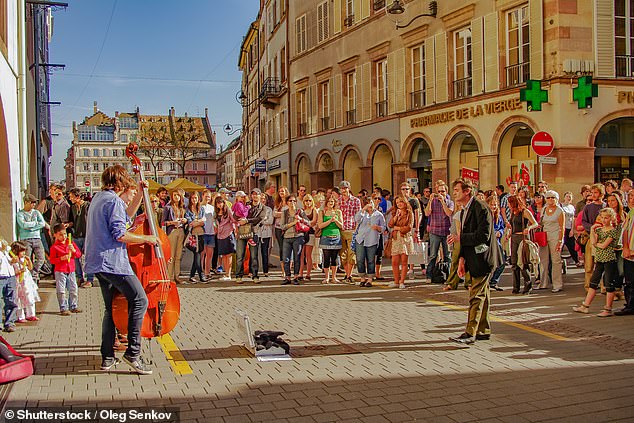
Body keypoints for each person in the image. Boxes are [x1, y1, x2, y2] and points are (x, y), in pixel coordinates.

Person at [85, 165, 157, 374]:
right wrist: (147, 238)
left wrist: (139, 198)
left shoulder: (99, 198)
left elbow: (125, 218)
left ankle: (107, 357)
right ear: (121, 183)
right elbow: (120, 234)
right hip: (112, 261)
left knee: (110, 309)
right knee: (140, 299)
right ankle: (133, 353)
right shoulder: (114, 200)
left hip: (96, 261)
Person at [449, 179, 503, 345]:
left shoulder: (481, 208)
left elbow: (483, 235)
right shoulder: (464, 209)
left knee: (476, 296)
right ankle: (483, 330)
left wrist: (460, 238)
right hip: (473, 257)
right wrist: (462, 260)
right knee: (483, 295)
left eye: (457, 190)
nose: (454, 193)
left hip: (484, 258)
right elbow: (466, 238)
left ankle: (470, 332)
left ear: (467, 191)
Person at [573, 208, 622, 317]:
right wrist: (592, 230)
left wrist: (597, 244)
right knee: (593, 282)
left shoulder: (612, 231)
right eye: (602, 217)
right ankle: (585, 305)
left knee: (609, 284)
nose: (604, 220)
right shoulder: (599, 230)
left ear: (611, 218)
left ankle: (608, 309)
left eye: (606, 218)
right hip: (599, 259)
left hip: (609, 259)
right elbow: (594, 241)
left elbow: (604, 245)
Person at [49, 223, 82, 316]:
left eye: (65, 234)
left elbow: (78, 254)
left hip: (71, 270)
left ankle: (73, 306)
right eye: (60, 234)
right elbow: (52, 260)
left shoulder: (70, 243)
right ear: (55, 235)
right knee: (61, 290)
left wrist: (74, 251)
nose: (63, 236)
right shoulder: (54, 247)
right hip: (60, 270)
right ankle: (63, 308)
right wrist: (61, 259)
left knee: (73, 289)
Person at [424, 180, 454, 282]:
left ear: (446, 192)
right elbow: (427, 213)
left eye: (443, 191)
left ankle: (449, 276)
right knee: (433, 254)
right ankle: (429, 275)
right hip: (434, 231)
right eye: (439, 191)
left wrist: (443, 202)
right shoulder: (432, 202)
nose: (440, 194)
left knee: (447, 255)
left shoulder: (450, 202)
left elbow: (449, 213)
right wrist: (430, 201)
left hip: (446, 231)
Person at [507, 196, 538, 294]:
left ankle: (528, 286)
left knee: (523, 262)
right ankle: (516, 287)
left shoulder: (525, 212)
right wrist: (509, 232)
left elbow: (535, 223)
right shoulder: (513, 212)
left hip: (522, 238)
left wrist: (528, 228)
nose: (508, 205)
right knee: (514, 263)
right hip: (514, 238)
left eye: (509, 203)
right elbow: (513, 225)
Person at [235, 188, 266, 284]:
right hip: (243, 232)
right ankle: (238, 275)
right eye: (253, 194)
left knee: (254, 256)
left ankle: (255, 275)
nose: (255, 196)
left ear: (260, 196)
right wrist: (239, 219)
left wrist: (247, 221)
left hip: (254, 233)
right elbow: (236, 213)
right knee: (240, 255)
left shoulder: (263, 207)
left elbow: (259, 219)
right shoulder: (246, 205)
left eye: (257, 194)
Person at [354, 196, 385, 287]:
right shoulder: (363, 213)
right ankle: (362, 278)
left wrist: (378, 228)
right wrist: (363, 209)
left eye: (371, 202)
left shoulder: (378, 214)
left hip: (372, 239)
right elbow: (357, 219)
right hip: (361, 239)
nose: (369, 204)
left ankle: (370, 278)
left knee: (371, 260)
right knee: (360, 259)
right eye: (367, 203)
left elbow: (383, 227)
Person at [537, 190, 565, 292]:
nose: (550, 200)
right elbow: (541, 222)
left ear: (556, 199)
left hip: (555, 236)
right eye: (548, 198)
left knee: (556, 261)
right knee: (543, 260)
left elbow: (562, 227)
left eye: (553, 197)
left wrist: (560, 240)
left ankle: (557, 284)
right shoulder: (544, 209)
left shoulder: (560, 211)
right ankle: (543, 283)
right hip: (544, 236)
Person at [16, 194, 46, 285]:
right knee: (27, 259)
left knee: (41, 258)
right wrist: (35, 223)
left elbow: (42, 223)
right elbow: (23, 225)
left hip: (37, 238)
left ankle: (34, 274)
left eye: (34, 202)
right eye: (31, 202)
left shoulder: (36, 212)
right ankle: (28, 278)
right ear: (26, 202)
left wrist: (31, 227)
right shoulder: (20, 214)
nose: (33, 204)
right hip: (25, 239)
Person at [280, 195, 309, 285]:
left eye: (293, 201)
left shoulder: (300, 211)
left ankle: (296, 277)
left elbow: (308, 222)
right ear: (287, 202)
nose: (292, 203)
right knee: (286, 258)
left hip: (298, 237)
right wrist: (293, 223)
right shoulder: (284, 213)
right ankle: (287, 277)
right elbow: (282, 226)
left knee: (297, 258)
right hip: (287, 237)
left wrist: (301, 219)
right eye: (290, 201)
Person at [582, 184, 606, 290]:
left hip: (603, 238)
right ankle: (588, 286)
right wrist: (592, 228)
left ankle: (604, 286)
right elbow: (584, 221)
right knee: (589, 265)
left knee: (602, 264)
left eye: (596, 192)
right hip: (591, 237)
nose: (593, 195)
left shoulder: (605, 206)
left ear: (601, 194)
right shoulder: (588, 207)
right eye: (592, 193)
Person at [68, 188, 94, 288]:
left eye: (71, 197)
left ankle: (90, 279)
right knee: (76, 257)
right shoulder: (73, 207)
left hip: (87, 235)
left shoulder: (88, 205)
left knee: (88, 258)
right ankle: (79, 277)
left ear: (78, 197)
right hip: (76, 235)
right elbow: (72, 220)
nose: (70, 199)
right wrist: (68, 225)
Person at [337, 181, 362, 283]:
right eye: (342, 188)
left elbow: (358, 216)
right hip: (341, 229)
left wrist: (356, 229)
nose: (344, 190)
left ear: (349, 188)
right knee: (343, 254)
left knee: (351, 254)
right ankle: (347, 275)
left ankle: (349, 275)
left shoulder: (356, 200)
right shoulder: (338, 201)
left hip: (352, 229)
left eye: (345, 188)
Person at [388, 195, 415, 289]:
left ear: (405, 202)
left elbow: (409, 227)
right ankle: (396, 281)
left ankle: (402, 281)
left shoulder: (409, 213)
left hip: (405, 238)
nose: (399, 204)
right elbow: (390, 224)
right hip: (396, 239)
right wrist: (396, 216)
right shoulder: (394, 212)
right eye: (397, 202)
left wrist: (398, 228)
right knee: (394, 261)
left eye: (401, 202)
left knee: (404, 261)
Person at [10, 242, 40, 323]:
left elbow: (30, 268)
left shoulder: (24, 259)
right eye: (22, 251)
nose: (24, 253)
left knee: (29, 298)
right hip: (19, 283)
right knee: (19, 299)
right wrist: (20, 271)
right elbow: (14, 273)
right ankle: (20, 316)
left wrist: (29, 260)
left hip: (27, 282)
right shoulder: (14, 261)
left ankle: (31, 314)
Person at [163, 190, 187, 284]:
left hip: (181, 230)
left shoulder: (182, 207)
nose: (176, 197)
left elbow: (186, 219)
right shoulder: (168, 207)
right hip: (172, 231)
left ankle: (177, 276)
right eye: (174, 195)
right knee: (171, 255)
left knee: (178, 255)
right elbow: (163, 222)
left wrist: (185, 220)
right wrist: (172, 222)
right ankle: (170, 277)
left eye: (178, 195)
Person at [317, 196, 343, 284]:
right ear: (326, 202)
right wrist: (329, 221)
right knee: (326, 257)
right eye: (329, 201)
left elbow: (341, 226)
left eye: (332, 202)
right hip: (325, 237)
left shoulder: (338, 212)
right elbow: (320, 225)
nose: (331, 203)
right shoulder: (322, 212)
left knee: (335, 257)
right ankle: (326, 277)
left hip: (336, 237)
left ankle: (334, 277)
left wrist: (335, 220)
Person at [617, 192, 634, 315]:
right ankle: (630, 305)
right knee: (629, 280)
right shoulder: (630, 213)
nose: (631, 200)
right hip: (630, 252)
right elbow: (625, 231)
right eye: (630, 197)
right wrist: (626, 247)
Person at [185, 191, 207, 284]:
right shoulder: (188, 209)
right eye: (193, 198)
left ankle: (192, 276)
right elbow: (191, 223)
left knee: (197, 255)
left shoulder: (201, 208)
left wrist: (197, 222)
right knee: (197, 254)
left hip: (201, 234)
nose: (194, 200)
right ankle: (201, 275)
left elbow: (203, 221)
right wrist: (198, 222)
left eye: (196, 198)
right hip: (193, 235)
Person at [214, 195, 237, 281]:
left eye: (221, 203)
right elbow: (215, 223)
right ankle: (225, 273)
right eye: (218, 203)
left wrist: (234, 229)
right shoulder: (216, 213)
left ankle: (229, 274)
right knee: (223, 255)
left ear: (224, 203)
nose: (219, 205)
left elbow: (233, 220)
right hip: (220, 235)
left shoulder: (228, 211)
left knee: (228, 254)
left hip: (228, 234)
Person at [487, 196, 506, 292]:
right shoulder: (485, 215)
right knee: (489, 264)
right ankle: (486, 282)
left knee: (502, 262)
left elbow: (502, 227)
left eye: (495, 205)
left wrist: (500, 232)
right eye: (491, 204)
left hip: (497, 242)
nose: (493, 206)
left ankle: (494, 282)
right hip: (488, 244)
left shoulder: (498, 216)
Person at [0, 241, 18, 332]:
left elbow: (9, 261)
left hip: (10, 275)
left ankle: (10, 322)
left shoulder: (5, 248)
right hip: (1, 276)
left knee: (11, 300)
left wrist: (13, 261)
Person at [299, 194, 318, 281]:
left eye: (310, 200)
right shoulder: (301, 211)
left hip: (310, 233)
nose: (308, 202)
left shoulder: (314, 210)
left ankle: (308, 274)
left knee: (308, 255)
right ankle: (300, 273)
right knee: (301, 254)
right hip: (302, 234)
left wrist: (304, 221)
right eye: (306, 200)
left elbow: (313, 222)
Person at [257, 192, 274, 277]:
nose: (262, 200)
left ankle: (265, 270)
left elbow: (270, 221)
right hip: (257, 232)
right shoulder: (256, 208)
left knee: (265, 252)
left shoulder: (269, 209)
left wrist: (262, 221)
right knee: (255, 252)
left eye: (264, 199)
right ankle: (253, 271)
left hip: (266, 233)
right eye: (261, 198)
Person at [561, 191, 580, 267]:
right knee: (561, 246)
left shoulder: (572, 207)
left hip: (569, 228)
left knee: (572, 245)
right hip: (562, 228)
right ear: (564, 197)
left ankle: (576, 260)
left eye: (570, 197)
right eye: (567, 196)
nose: (568, 198)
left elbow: (573, 218)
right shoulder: (561, 206)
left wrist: (572, 230)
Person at [200, 190, 216, 278]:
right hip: (203, 232)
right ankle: (201, 272)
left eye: (209, 197)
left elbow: (214, 220)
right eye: (206, 196)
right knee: (202, 253)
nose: (207, 198)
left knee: (210, 254)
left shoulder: (212, 208)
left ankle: (207, 272)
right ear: (202, 196)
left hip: (211, 232)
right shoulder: (200, 206)